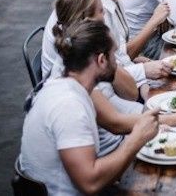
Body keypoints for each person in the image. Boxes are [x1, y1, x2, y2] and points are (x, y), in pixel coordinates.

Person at [47, 0, 176, 156]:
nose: (106, 17)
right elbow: (115, 122)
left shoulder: (90, 50)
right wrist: (171, 120)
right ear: (87, 21)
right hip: (108, 150)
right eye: (102, 12)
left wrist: (154, 114)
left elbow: (129, 94)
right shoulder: (78, 68)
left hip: (116, 138)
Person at [20, 20, 160, 195]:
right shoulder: (69, 106)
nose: (117, 63)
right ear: (101, 60)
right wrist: (136, 139)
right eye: (114, 56)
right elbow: (90, 183)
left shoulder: (67, 85)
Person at [41, 0, 172, 87]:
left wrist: (135, 63)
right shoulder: (91, 8)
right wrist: (143, 71)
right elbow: (104, 70)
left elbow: (118, 56)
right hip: (80, 89)